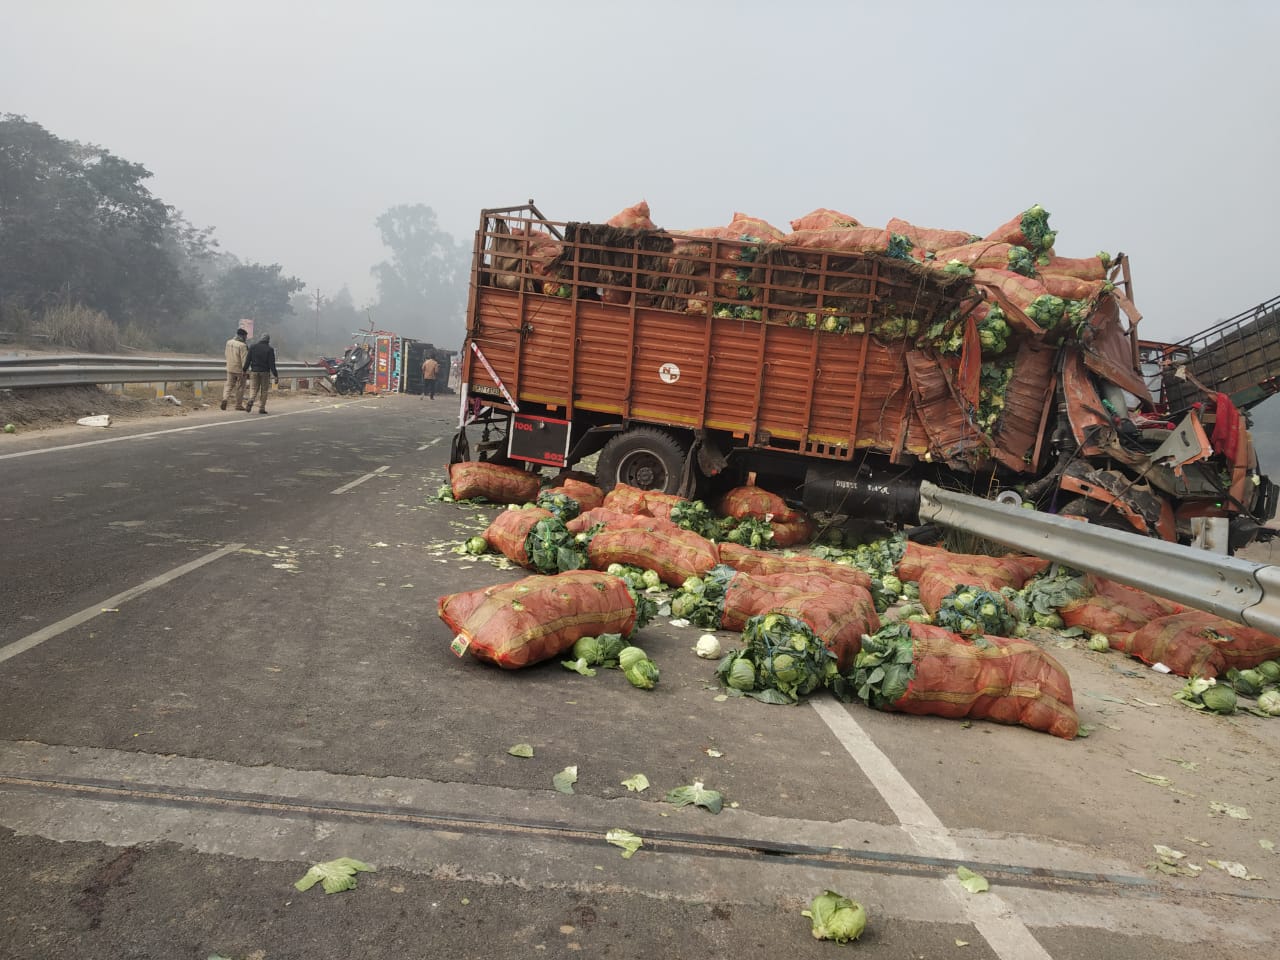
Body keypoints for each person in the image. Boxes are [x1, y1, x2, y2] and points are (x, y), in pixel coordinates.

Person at [243, 333, 279, 414]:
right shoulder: (269, 349)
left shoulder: (253, 347)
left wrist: (244, 370)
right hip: (265, 372)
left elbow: (248, 360)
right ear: (268, 340)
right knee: (264, 390)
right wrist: (275, 375)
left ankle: (251, 399)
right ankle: (261, 408)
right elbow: (272, 364)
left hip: (254, 371)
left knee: (253, 389)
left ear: (260, 339)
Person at [221, 328, 249, 411]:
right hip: (239, 370)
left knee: (229, 385)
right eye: (245, 336)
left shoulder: (228, 342)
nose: (246, 338)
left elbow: (226, 354)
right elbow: (244, 359)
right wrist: (246, 371)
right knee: (240, 387)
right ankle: (238, 405)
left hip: (230, 367)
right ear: (243, 336)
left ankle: (225, 399)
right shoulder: (242, 345)